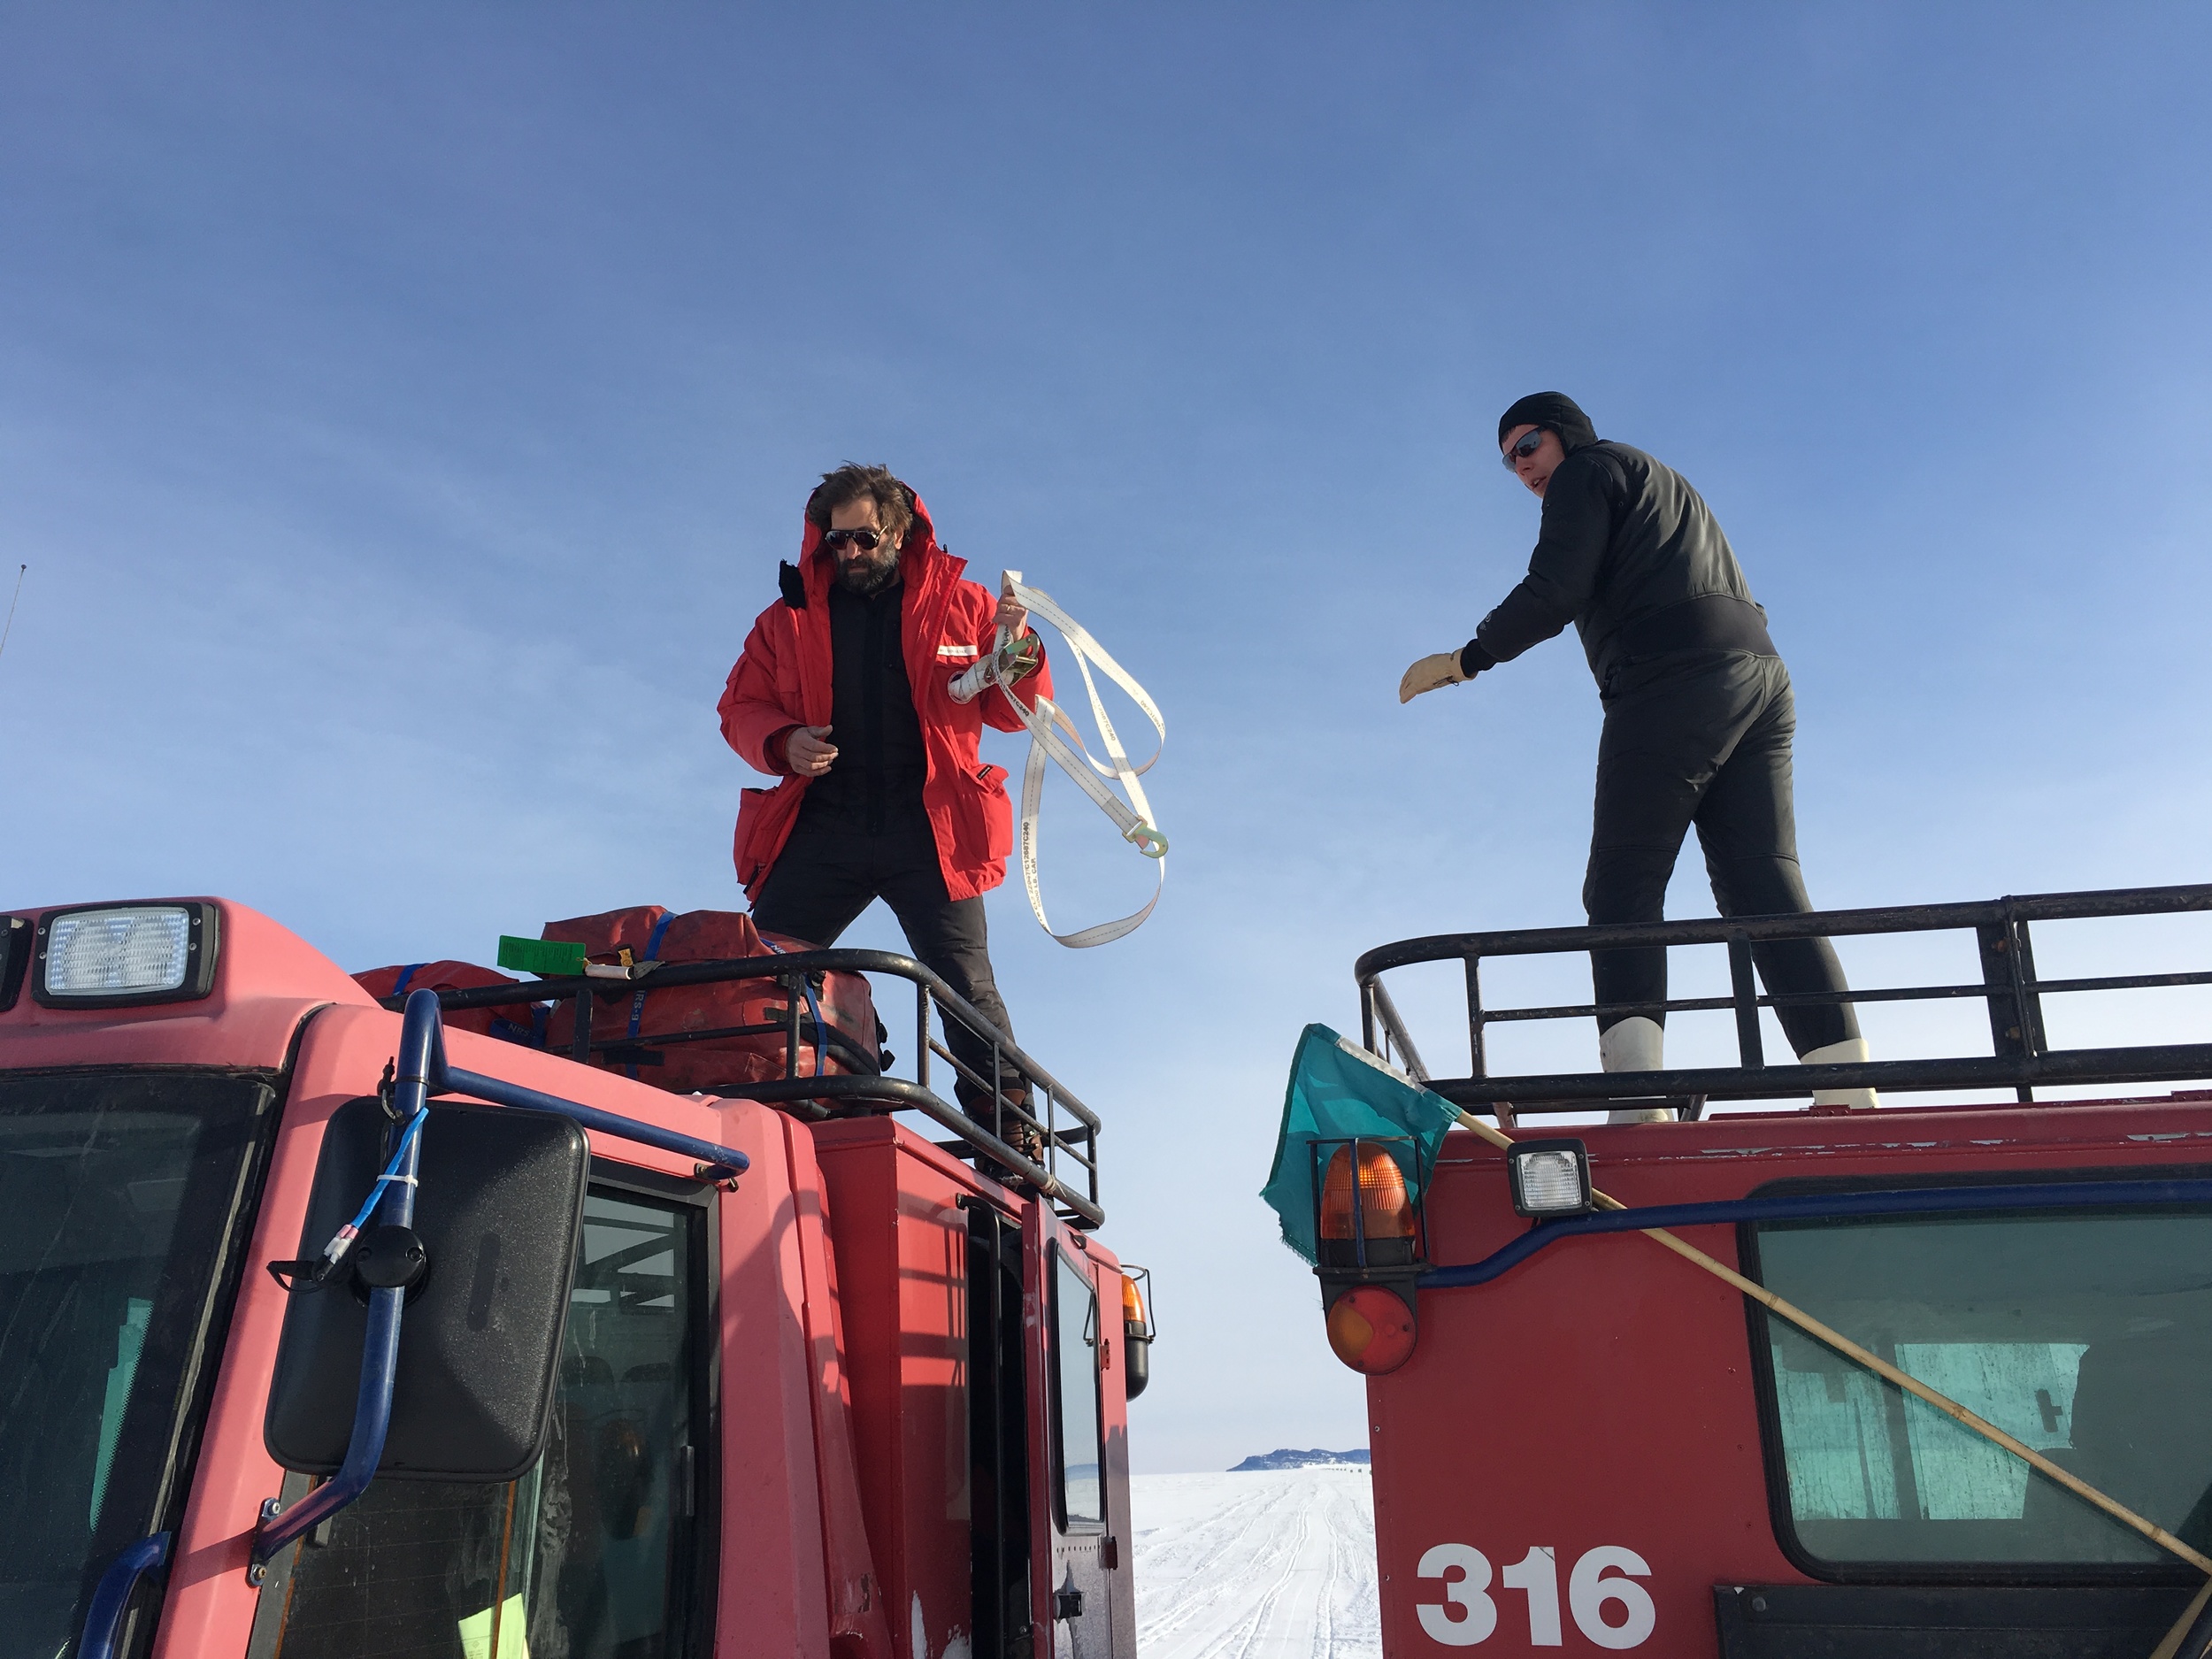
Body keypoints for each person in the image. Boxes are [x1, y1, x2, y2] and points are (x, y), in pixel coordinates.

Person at [1398, 393, 1876, 1118]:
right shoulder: (1660, 478)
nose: (1521, 466)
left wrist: (1468, 658)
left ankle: (1638, 1096)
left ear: (1563, 434)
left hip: (1672, 679)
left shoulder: (1586, 474)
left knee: (1622, 882)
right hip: (1759, 677)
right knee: (1764, 885)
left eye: (1527, 444)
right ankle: (1848, 1088)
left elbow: (1555, 591)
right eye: (1507, 460)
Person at [718, 464, 1050, 1153]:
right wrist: (783, 740)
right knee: (760, 963)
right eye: (836, 542)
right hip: (825, 824)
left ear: (899, 531)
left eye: (863, 539)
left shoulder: (967, 604)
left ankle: (1012, 1141)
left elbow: (1015, 712)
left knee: (965, 984)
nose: (849, 555)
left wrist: (1021, 655)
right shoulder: (786, 620)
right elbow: (740, 709)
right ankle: (815, 1085)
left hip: (927, 827)